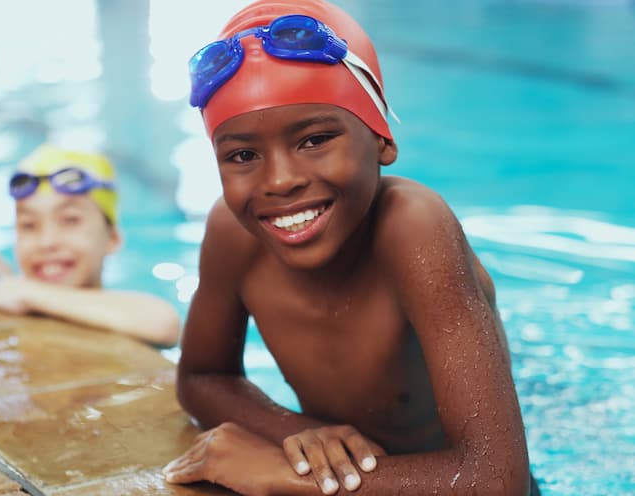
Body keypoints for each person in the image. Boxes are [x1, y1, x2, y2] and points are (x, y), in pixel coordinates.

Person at [163, 0, 539, 494]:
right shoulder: (234, 234)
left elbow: (497, 479)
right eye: (243, 155)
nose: (280, 181)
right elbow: (202, 378)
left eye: (315, 139)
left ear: (381, 138)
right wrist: (299, 434)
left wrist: (278, 474)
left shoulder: (412, 228)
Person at [0, 144, 180, 348]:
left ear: (112, 238)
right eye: (28, 225)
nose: (47, 242)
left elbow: (164, 324)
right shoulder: (18, 292)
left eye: (70, 220)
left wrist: (29, 293)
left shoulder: (133, 315)